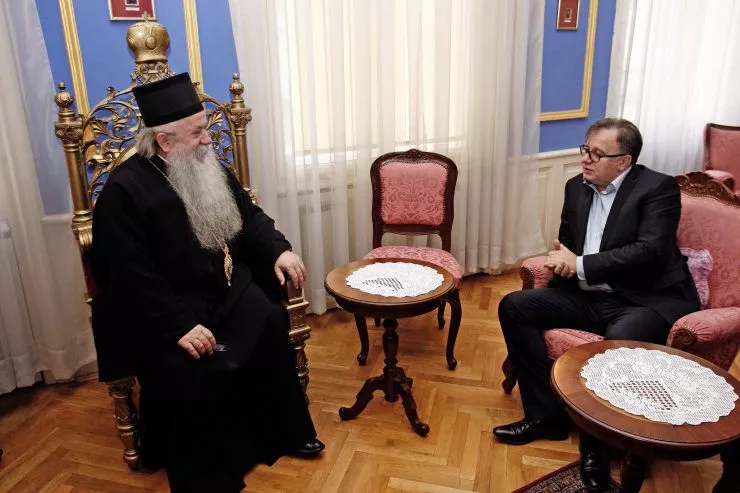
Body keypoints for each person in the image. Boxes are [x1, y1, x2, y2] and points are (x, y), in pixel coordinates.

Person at [90, 73, 324, 493]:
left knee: (269, 319)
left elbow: (251, 218)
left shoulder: (208, 166)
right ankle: (210, 473)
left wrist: (278, 250)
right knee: (184, 367)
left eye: (206, 128)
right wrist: (177, 325)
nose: (207, 139)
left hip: (226, 289)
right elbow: (127, 274)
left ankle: (284, 432)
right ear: (165, 141)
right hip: (170, 309)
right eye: (197, 132)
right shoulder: (123, 192)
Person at [493, 118, 700, 492]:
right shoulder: (576, 186)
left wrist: (581, 264)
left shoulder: (658, 188)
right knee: (514, 306)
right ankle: (546, 416)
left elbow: (649, 251)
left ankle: (595, 452)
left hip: (642, 300)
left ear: (624, 161)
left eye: (597, 154)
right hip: (589, 294)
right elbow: (569, 245)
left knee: (614, 342)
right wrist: (563, 264)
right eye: (585, 150)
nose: (586, 159)